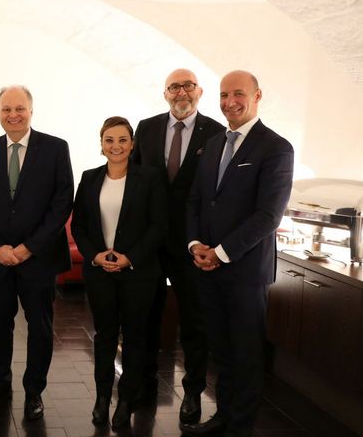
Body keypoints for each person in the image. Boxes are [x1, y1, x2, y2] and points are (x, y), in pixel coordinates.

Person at [183, 70, 293, 437]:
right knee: (221, 351)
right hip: (207, 268)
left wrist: (221, 252)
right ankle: (223, 416)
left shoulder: (276, 147)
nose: (230, 102)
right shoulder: (213, 143)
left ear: (257, 96)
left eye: (239, 94)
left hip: (245, 272)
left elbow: (268, 215)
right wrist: (195, 245)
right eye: (224, 94)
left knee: (246, 354)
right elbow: (197, 199)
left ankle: (240, 427)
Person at [0, 85, 73, 421]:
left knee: (39, 327)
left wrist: (29, 247)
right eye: (6, 109)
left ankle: (34, 391)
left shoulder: (55, 148)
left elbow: (62, 203)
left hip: (38, 259)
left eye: (19, 108)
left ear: (31, 110)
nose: (13, 115)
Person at [131, 69, 224, 423]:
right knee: (145, 315)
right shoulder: (146, 128)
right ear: (165, 93)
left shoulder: (216, 133)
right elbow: (135, 182)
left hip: (192, 243)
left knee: (194, 321)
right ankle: (144, 383)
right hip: (150, 242)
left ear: (199, 91)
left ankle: (193, 393)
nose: (181, 92)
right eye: (174, 87)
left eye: (188, 86)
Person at [71, 116, 168, 429]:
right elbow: (80, 225)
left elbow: (159, 225)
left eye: (123, 140)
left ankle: (126, 399)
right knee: (104, 336)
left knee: (136, 337)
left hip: (138, 272)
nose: (116, 146)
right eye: (109, 140)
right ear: (101, 144)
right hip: (100, 271)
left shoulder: (150, 178)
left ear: (132, 144)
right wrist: (95, 256)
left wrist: (130, 258)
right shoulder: (89, 178)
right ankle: (102, 398)